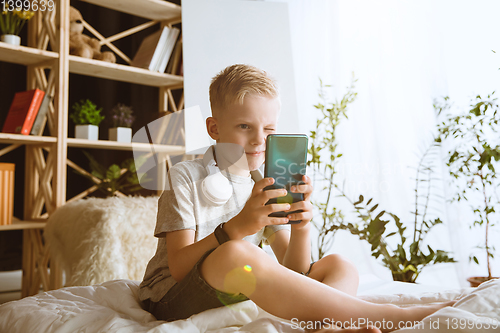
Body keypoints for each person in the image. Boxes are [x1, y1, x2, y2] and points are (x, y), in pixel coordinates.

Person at [139, 64, 454, 332]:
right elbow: (179, 268)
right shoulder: (184, 176)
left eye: (269, 128)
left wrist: (302, 227)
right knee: (235, 252)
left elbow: (295, 271)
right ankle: (393, 317)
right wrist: (236, 228)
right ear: (214, 128)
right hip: (172, 297)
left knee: (339, 265)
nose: (259, 139)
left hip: (237, 285)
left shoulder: (263, 182)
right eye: (244, 126)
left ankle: (324, 326)